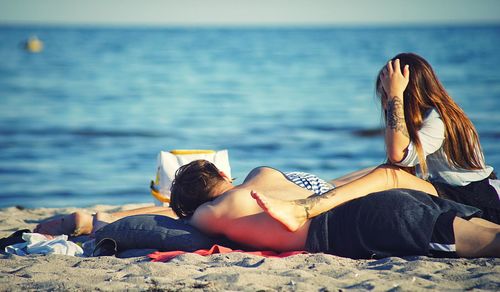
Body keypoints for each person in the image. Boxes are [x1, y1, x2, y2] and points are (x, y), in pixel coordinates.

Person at [34, 160, 499, 258]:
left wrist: (89, 221)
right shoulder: (260, 179)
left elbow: (154, 220)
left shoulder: (206, 217)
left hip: (368, 224)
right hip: (381, 208)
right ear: (220, 180)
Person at [253, 53, 500, 230]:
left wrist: (395, 95)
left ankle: (304, 209)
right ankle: (309, 196)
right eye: (384, 93)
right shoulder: (428, 117)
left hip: (477, 199)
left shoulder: (439, 117)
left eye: (385, 92)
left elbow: (397, 154)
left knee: (388, 174)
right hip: (458, 192)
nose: (384, 100)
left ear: (408, 92)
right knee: (376, 174)